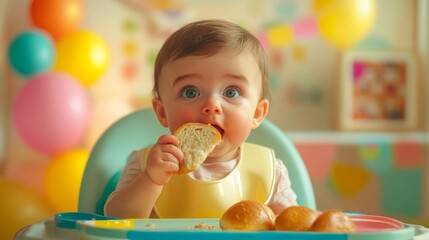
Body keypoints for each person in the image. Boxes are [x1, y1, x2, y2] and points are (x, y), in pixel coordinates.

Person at [104, 19, 297, 218]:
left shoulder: (269, 171)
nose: (212, 105)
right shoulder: (146, 163)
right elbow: (116, 219)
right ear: (162, 112)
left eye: (231, 92)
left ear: (257, 113)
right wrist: (151, 180)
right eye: (190, 92)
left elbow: (293, 227)